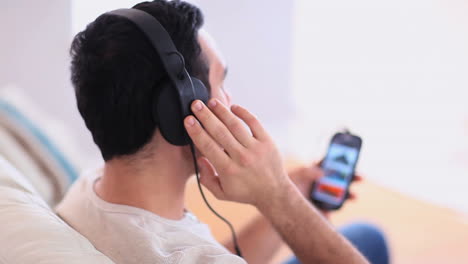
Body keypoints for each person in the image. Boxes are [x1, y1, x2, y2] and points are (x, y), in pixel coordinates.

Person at [56, 1, 389, 263]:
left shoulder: (88, 189)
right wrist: (278, 195)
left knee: (364, 236)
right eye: (221, 83)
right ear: (179, 108)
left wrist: (287, 197)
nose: (229, 101)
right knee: (370, 240)